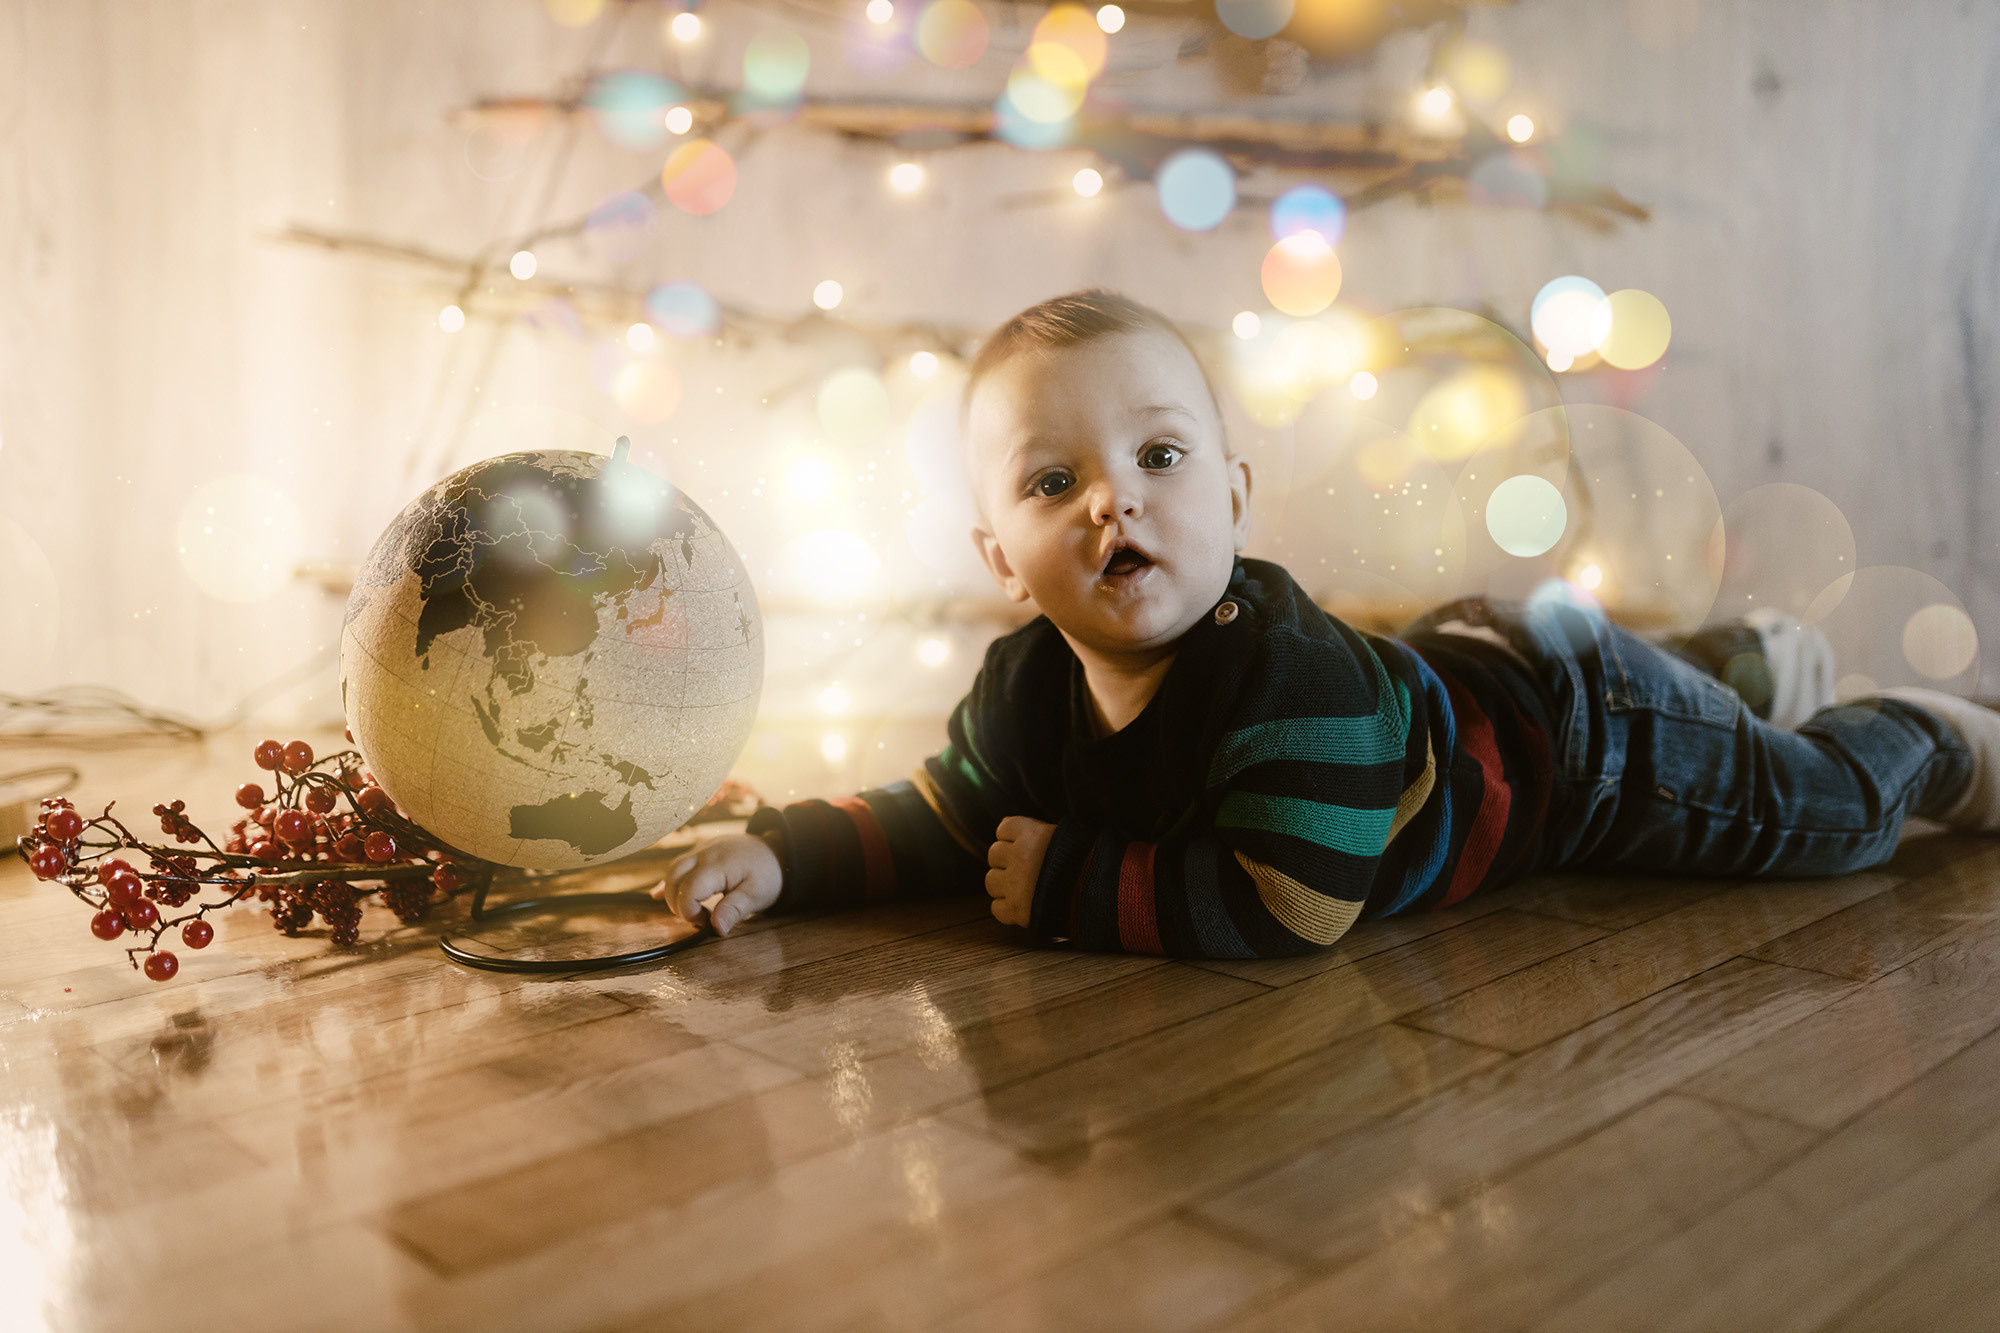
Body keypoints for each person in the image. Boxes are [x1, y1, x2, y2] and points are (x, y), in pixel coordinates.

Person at [652, 289, 2000, 958]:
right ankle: (1742, 662)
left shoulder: (1282, 681)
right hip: (1488, 666)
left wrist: (1072, 879)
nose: (1113, 500)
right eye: (1054, 482)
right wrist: (783, 856)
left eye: (1161, 458)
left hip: (1578, 750)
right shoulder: (1022, 690)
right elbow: (946, 816)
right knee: (1683, 695)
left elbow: (1295, 902)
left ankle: (1922, 736)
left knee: (1821, 822)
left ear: (1235, 498)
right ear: (1002, 557)